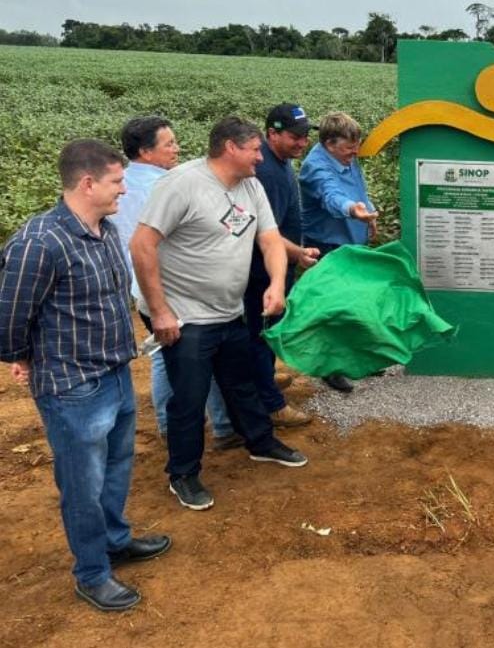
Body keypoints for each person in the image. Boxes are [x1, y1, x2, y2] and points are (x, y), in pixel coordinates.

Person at [0, 140, 171, 612]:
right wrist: (23, 356)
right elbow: (9, 318)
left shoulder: (106, 228)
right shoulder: (40, 242)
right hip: (73, 387)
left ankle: (115, 541)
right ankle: (92, 572)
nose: (124, 189)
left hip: (115, 372)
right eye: (117, 182)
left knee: (116, 469)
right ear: (88, 183)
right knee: (82, 484)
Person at [130, 117, 308, 512]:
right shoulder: (182, 184)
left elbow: (269, 239)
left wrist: (277, 284)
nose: (261, 158)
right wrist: (160, 311)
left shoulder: (251, 186)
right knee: (189, 398)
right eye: (254, 150)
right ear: (230, 147)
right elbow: (142, 245)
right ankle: (183, 474)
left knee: (240, 383)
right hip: (186, 316)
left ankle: (260, 443)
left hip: (228, 310)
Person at [113, 116, 240, 450]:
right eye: (169, 143)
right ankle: (176, 431)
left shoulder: (121, 182)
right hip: (167, 291)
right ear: (145, 151)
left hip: (140, 288)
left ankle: (223, 426)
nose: (177, 148)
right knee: (169, 358)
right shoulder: (165, 186)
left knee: (198, 353)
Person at [247, 104, 321, 427]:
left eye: (305, 136)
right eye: (295, 136)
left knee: (265, 335)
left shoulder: (279, 161)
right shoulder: (266, 172)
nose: (302, 143)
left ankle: (266, 377)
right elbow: (266, 233)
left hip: (275, 265)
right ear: (272, 133)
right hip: (263, 271)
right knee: (260, 334)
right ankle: (272, 404)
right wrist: (298, 253)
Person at [299, 111, 379, 393]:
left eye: (356, 145)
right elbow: (332, 195)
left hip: (351, 240)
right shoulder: (315, 168)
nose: (355, 152)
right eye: (348, 148)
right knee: (331, 308)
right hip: (327, 246)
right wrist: (352, 209)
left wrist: (367, 212)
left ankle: (356, 357)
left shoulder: (347, 157)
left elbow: (358, 188)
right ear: (330, 144)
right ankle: (330, 367)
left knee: (354, 301)